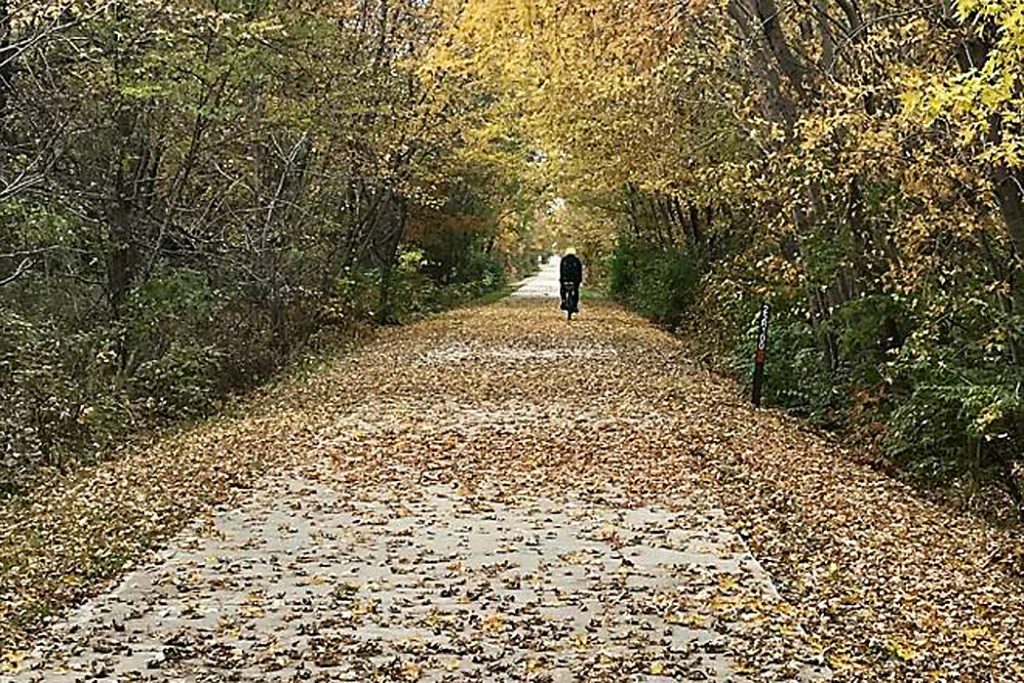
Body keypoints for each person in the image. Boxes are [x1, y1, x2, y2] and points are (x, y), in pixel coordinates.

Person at [559, 250, 583, 318]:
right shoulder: (577, 260)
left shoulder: (564, 260)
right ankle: (575, 305)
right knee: (576, 291)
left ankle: (563, 301)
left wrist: (561, 279)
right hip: (575, 280)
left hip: (565, 279)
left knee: (563, 290)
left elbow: (561, 270)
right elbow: (579, 271)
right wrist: (579, 280)